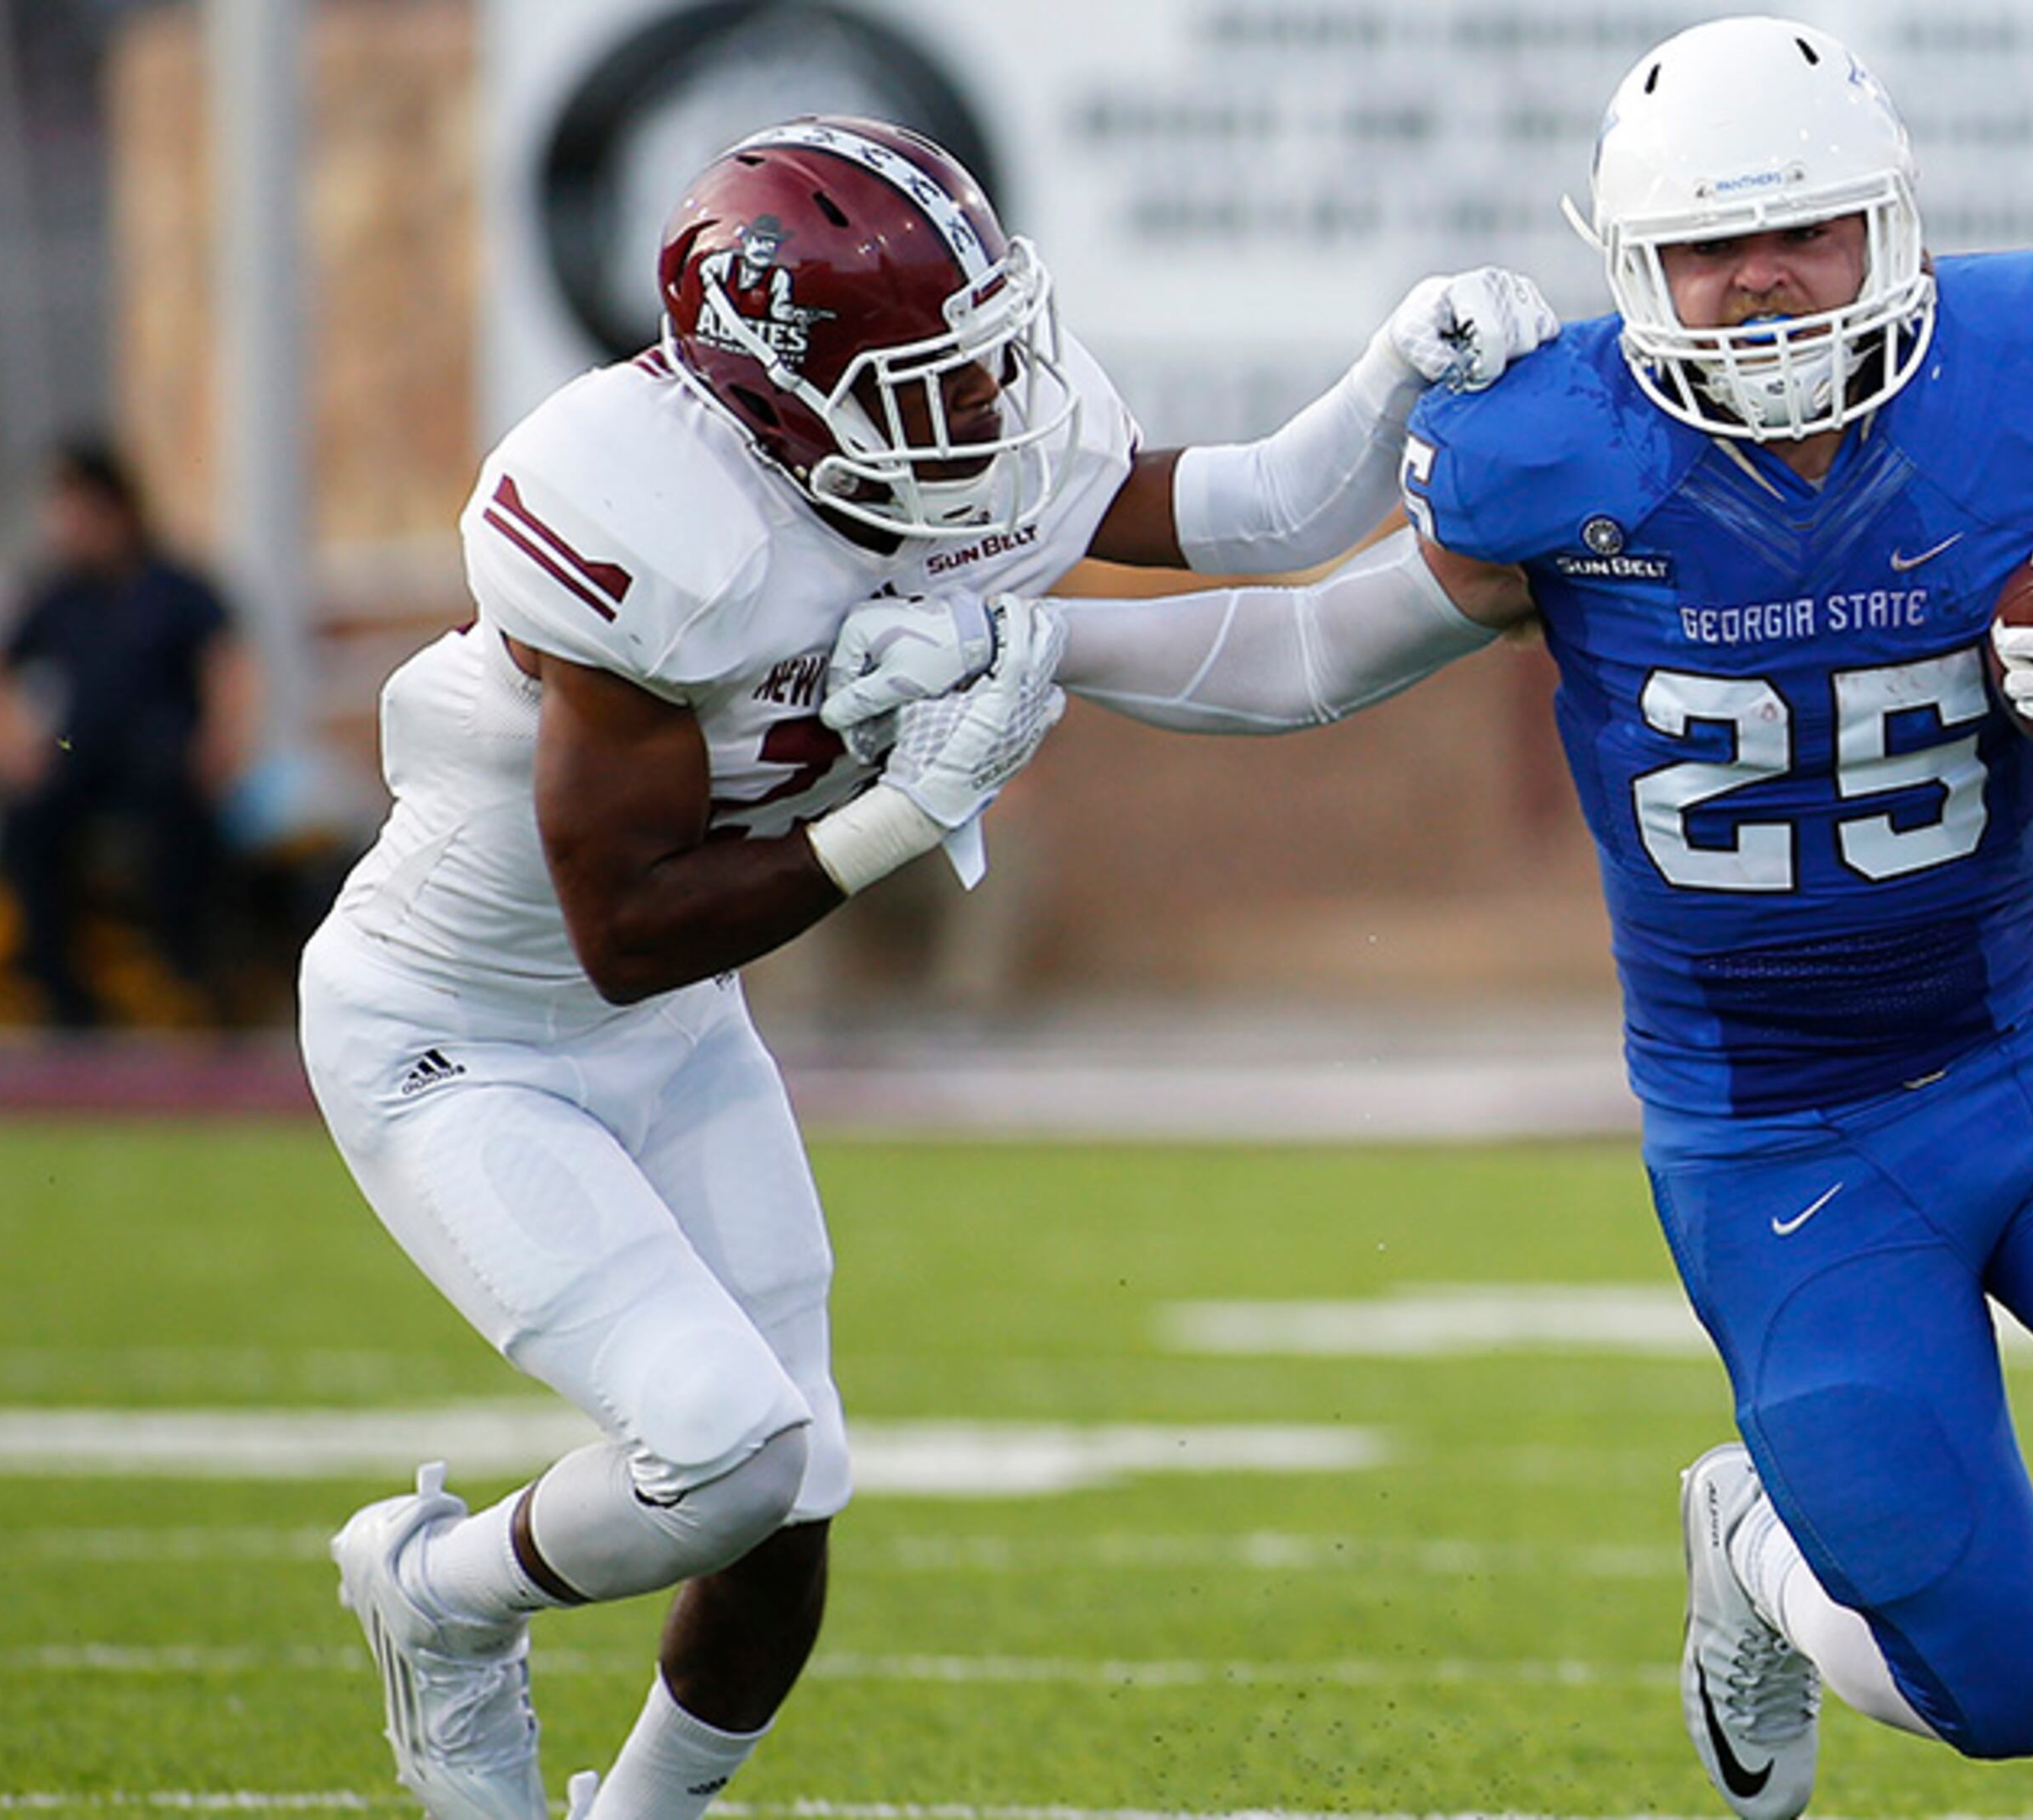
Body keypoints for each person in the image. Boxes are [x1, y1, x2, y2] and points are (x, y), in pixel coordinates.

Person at [935, 19, 2033, 1819]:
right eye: (1709, 249)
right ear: (1633, 267)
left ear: (1889, 227)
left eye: (1805, 235)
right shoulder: (1557, 450)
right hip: (1780, 1139)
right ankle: (1757, 1550)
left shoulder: (2021, 377)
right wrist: (1036, 637)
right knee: (2004, 1693)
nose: (1761, 285)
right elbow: (1304, 649)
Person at [296, 115, 1553, 1820]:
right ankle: (441, 1599)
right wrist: (912, 806)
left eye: (981, 353)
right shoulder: (639, 514)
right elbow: (629, 919)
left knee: (789, 1484)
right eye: (923, 378)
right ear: (774, 391)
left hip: (666, 1029)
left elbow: (1256, 534)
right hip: (461, 1036)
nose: (983, 406)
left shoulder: (949, 443)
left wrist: (1396, 372)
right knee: (725, 1453)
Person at [0, 440, 248, 1026]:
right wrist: (7, 744)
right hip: (82, 753)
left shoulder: (176, 587)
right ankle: (59, 990)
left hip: (162, 753)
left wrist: (224, 738)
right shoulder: (56, 593)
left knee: (178, 815)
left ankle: (188, 974)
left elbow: (227, 662)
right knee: (30, 817)